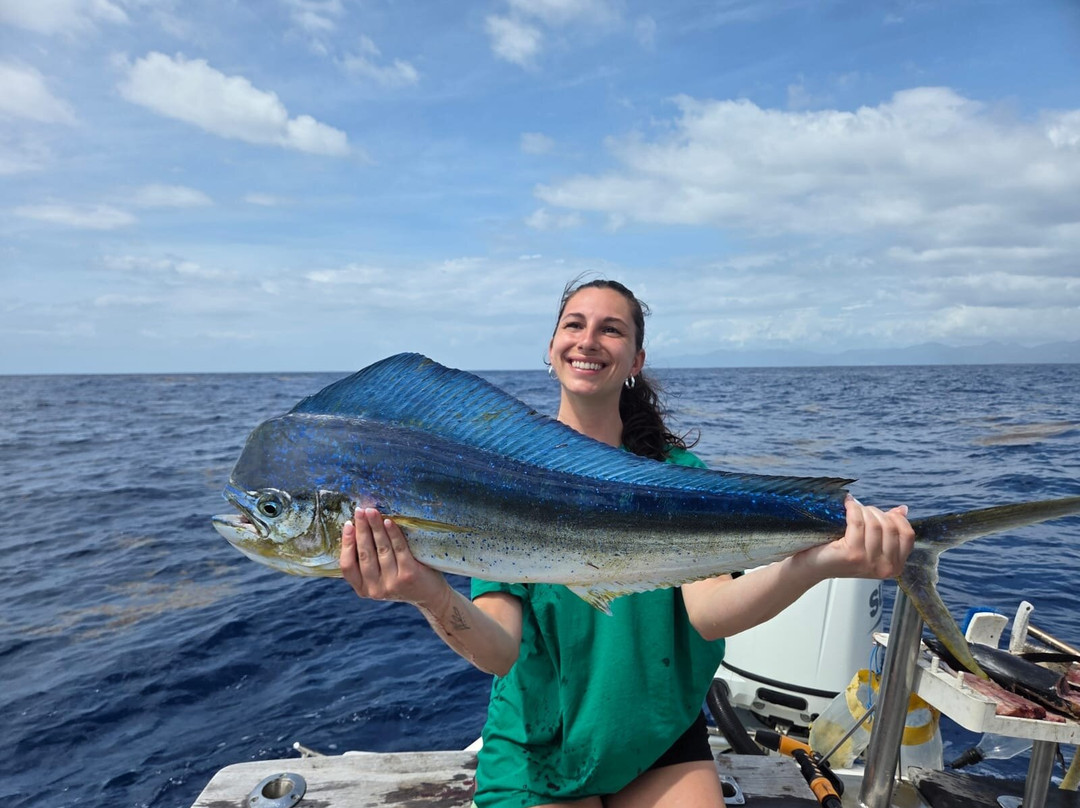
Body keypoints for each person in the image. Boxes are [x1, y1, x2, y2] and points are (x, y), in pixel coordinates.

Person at [338, 278, 916, 808]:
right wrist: (428, 594)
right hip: (541, 746)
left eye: (611, 329)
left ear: (635, 360)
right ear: (550, 347)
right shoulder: (501, 477)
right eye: (575, 324)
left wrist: (818, 564)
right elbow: (498, 651)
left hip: (657, 733)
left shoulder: (677, 474)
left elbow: (710, 615)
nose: (589, 339)